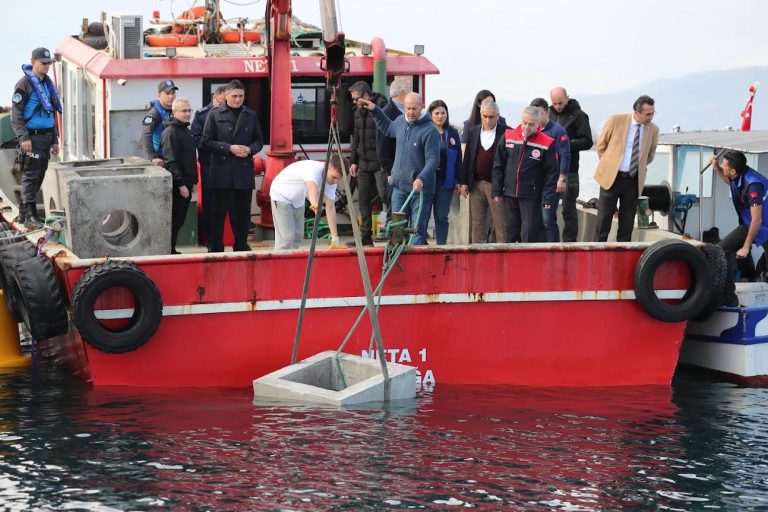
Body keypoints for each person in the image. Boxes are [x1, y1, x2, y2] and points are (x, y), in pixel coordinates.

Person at [361, 92, 440, 245]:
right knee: (396, 229)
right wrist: (375, 110)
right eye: (408, 108)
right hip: (399, 187)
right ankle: (397, 261)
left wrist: (421, 178)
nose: (410, 112)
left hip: (420, 190)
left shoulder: (430, 130)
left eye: (414, 109)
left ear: (422, 107)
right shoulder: (400, 121)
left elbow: (433, 160)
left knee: (417, 229)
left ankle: (417, 264)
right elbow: (387, 128)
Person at [201, 79, 264, 252]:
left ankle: (241, 245)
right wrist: (229, 148)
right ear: (226, 95)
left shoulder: (250, 115)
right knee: (218, 212)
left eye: (241, 96)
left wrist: (250, 149)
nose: (238, 99)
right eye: (234, 96)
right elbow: (205, 141)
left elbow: (259, 140)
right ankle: (216, 247)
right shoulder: (214, 115)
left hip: (243, 170)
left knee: (243, 213)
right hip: (221, 170)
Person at [594, 95, 659, 242]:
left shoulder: (653, 129)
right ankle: (597, 249)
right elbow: (601, 146)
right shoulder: (616, 120)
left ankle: (622, 251)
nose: (651, 117)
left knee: (627, 220)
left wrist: (636, 167)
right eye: (648, 114)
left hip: (633, 180)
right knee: (604, 219)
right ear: (637, 112)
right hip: (612, 177)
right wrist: (610, 166)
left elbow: (650, 155)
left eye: (653, 113)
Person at [492, 106, 558, 243]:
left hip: (531, 196)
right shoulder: (508, 136)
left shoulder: (547, 142)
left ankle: (528, 262)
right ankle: (510, 262)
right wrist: (497, 191)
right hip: (509, 194)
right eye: (524, 122)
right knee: (509, 233)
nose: (526, 127)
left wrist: (547, 199)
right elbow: (498, 165)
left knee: (529, 234)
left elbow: (551, 175)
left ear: (538, 124)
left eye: (531, 124)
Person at [11, 47, 61, 227]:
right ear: (33, 62)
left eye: (49, 63)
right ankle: (30, 216)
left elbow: (52, 113)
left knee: (39, 174)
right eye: (43, 63)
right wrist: (24, 137)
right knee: (31, 176)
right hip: (31, 138)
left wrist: (54, 140)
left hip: (46, 138)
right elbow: (16, 115)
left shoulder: (48, 85)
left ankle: (25, 214)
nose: (47, 66)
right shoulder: (24, 84)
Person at [713, 151, 768, 306]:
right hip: (752, 223)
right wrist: (717, 168)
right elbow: (730, 182)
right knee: (722, 249)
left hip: (760, 223)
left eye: (724, 165)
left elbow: (757, 219)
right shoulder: (737, 175)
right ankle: (729, 298)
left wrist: (746, 246)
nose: (722, 166)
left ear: (733, 170)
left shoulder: (753, 185)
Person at [269, 156, 348, 251]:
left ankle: (291, 262)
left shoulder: (331, 181)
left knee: (298, 235)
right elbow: (312, 188)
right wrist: (315, 207)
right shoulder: (313, 169)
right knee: (287, 237)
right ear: (328, 168)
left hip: (297, 199)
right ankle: (280, 262)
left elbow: (330, 207)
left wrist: (335, 238)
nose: (335, 181)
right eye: (334, 177)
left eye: (338, 179)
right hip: (281, 195)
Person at [191, 84, 236, 249]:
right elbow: (195, 139)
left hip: (230, 165)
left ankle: (236, 239)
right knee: (211, 204)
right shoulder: (202, 115)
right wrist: (217, 146)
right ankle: (211, 241)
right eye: (222, 101)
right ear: (214, 98)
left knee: (233, 202)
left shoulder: (235, 114)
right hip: (210, 164)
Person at [459, 100, 507, 243]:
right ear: (481, 114)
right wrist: (463, 182)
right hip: (476, 184)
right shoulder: (473, 131)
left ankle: (502, 253)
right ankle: (478, 255)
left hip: (497, 185)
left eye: (491, 117)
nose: (488, 120)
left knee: (500, 222)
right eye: (485, 116)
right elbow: (466, 158)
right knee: (478, 223)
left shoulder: (507, 132)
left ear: (498, 116)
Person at [549, 87, 593, 242]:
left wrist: (565, 143)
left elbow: (587, 141)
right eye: (554, 103)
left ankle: (569, 244)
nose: (558, 106)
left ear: (567, 98)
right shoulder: (548, 115)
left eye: (560, 103)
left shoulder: (579, 116)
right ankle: (549, 243)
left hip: (570, 171)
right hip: (550, 170)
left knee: (568, 210)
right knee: (548, 210)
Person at [348, 81, 389, 246]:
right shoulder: (357, 112)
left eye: (356, 99)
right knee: (363, 199)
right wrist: (353, 161)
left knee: (386, 196)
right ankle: (365, 237)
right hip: (363, 162)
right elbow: (356, 138)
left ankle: (394, 231)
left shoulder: (383, 108)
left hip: (380, 163)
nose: (354, 102)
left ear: (366, 96)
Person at [161, 98, 199, 254]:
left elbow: (190, 159)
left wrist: (194, 181)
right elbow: (170, 162)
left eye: (189, 110)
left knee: (180, 219)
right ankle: (169, 250)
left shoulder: (185, 130)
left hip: (187, 183)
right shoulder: (171, 132)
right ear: (174, 112)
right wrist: (181, 185)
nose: (188, 114)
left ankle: (172, 249)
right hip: (178, 186)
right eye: (184, 111)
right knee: (174, 220)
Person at [530, 98, 571, 243]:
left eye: (540, 114)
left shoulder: (558, 131)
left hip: (551, 182)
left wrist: (562, 178)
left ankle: (553, 249)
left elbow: (565, 155)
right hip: (533, 183)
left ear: (547, 112)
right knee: (534, 221)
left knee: (548, 219)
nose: (537, 118)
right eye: (534, 114)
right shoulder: (531, 130)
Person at [376, 77, 412, 220]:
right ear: (403, 92)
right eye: (410, 90)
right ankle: (394, 241)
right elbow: (382, 146)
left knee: (405, 212)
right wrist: (388, 170)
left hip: (407, 172)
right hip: (393, 173)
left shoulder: (407, 113)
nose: (412, 93)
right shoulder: (387, 113)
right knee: (395, 213)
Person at [427, 100, 462, 245]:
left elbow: (458, 158)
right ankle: (421, 244)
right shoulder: (425, 130)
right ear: (430, 115)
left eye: (443, 113)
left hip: (445, 182)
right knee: (423, 216)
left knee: (442, 216)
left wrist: (459, 180)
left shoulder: (452, 133)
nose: (440, 116)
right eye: (436, 113)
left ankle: (441, 245)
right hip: (427, 181)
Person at [140, 79, 178, 166]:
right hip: (159, 159)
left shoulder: (174, 110)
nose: (171, 96)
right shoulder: (153, 114)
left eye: (173, 93)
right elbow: (145, 134)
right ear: (159, 95)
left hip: (172, 156)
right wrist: (153, 157)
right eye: (167, 93)